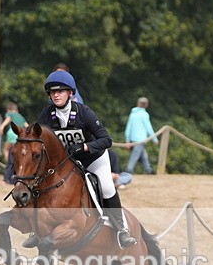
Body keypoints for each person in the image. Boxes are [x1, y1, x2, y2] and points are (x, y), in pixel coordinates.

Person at [29, 70, 136, 248]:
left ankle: (122, 230)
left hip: (93, 159)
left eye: (60, 91)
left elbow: (106, 140)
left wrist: (84, 146)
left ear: (70, 93)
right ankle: (37, 230)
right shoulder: (47, 115)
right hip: (67, 162)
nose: (55, 95)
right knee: (39, 184)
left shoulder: (84, 112)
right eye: (52, 92)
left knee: (107, 187)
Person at [123, 96, 158, 176]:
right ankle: (128, 170)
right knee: (135, 156)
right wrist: (155, 139)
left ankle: (148, 170)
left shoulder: (132, 114)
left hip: (133, 139)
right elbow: (149, 128)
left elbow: (128, 128)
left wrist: (127, 140)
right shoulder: (144, 114)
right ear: (146, 105)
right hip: (141, 139)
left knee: (143, 155)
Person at [0, 102, 29, 185]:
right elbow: (27, 126)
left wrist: (1, 127)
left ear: (9, 109)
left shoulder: (10, 113)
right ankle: (14, 177)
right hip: (21, 136)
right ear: (17, 110)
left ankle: (6, 178)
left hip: (12, 133)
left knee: (7, 151)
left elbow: (7, 120)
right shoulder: (21, 117)